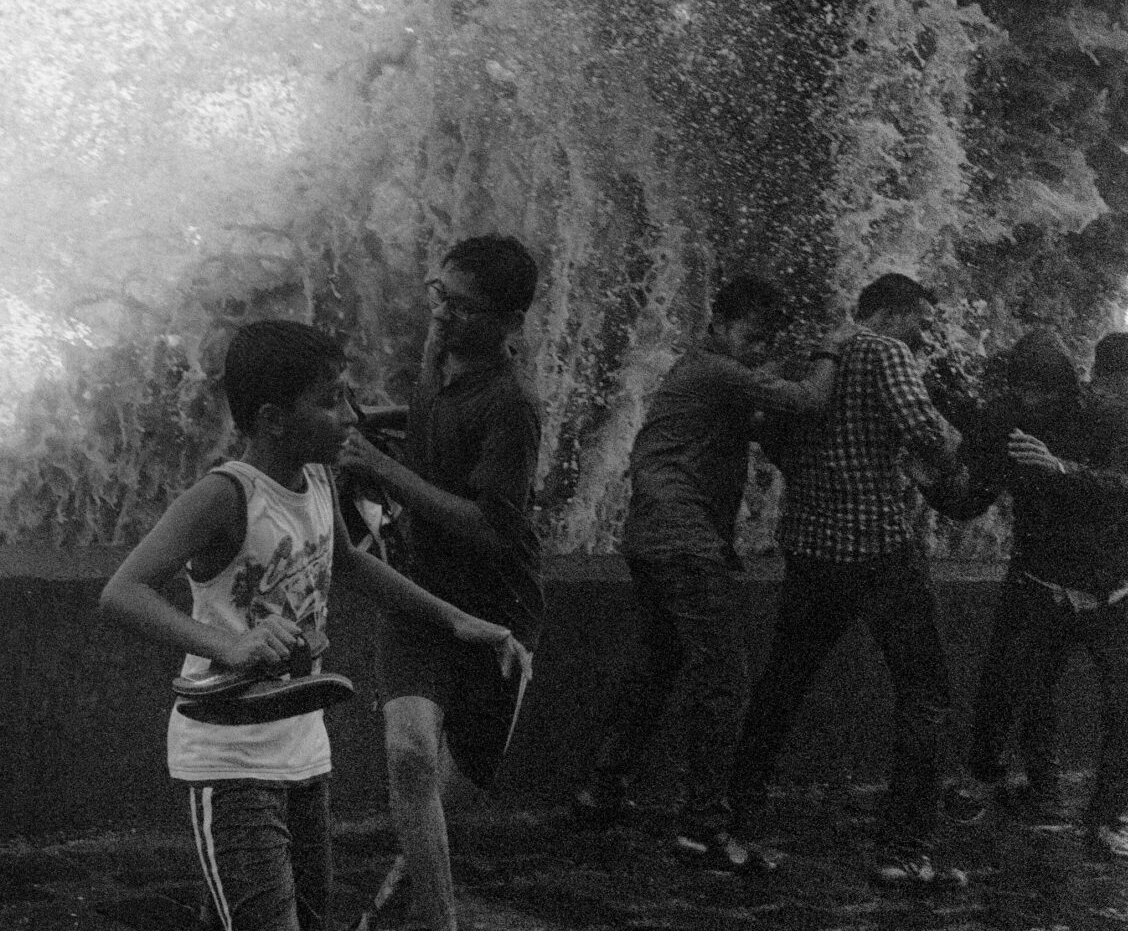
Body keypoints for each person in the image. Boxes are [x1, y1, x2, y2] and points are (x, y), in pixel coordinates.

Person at [100, 319, 525, 931]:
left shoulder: (320, 479)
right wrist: (232, 643)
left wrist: (457, 621)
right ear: (273, 419)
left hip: (304, 753)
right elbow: (123, 592)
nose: (352, 415)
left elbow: (350, 563)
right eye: (331, 400)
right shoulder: (226, 496)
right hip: (230, 757)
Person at [570, 272, 838, 873]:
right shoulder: (713, 370)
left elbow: (774, 433)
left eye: (770, 342)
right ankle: (704, 827)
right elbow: (806, 400)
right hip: (685, 539)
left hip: (654, 536)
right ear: (720, 326)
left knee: (655, 667)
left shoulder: (708, 379)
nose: (761, 350)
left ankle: (601, 790)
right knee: (724, 680)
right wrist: (833, 349)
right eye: (754, 336)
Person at [726, 272, 962, 890]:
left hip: (811, 550)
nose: (923, 335)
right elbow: (923, 427)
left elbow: (774, 433)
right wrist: (949, 446)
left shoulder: (818, 356)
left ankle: (732, 821)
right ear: (887, 313)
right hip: (880, 549)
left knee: (781, 685)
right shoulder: (885, 351)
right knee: (927, 694)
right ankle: (903, 850)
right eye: (918, 321)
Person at [336, 235, 542, 931]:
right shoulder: (438, 358)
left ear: (510, 323)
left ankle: (406, 900)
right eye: (439, 296)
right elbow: (431, 419)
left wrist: (383, 467)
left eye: (462, 307)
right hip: (419, 592)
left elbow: (491, 529)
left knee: (447, 800)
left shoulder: (512, 406)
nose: (442, 315)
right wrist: (381, 428)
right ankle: (439, 923)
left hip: (496, 607)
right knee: (409, 756)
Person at [935, 327, 1128, 855]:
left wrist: (1061, 468)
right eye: (1021, 390)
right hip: (1038, 583)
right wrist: (934, 484)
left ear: (1069, 390)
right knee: (1006, 687)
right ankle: (1003, 782)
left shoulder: (1107, 416)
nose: (1030, 401)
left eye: (1041, 391)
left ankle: (1109, 814)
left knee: (1122, 705)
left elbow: (1120, 486)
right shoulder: (1005, 420)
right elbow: (973, 500)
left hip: (1110, 589)